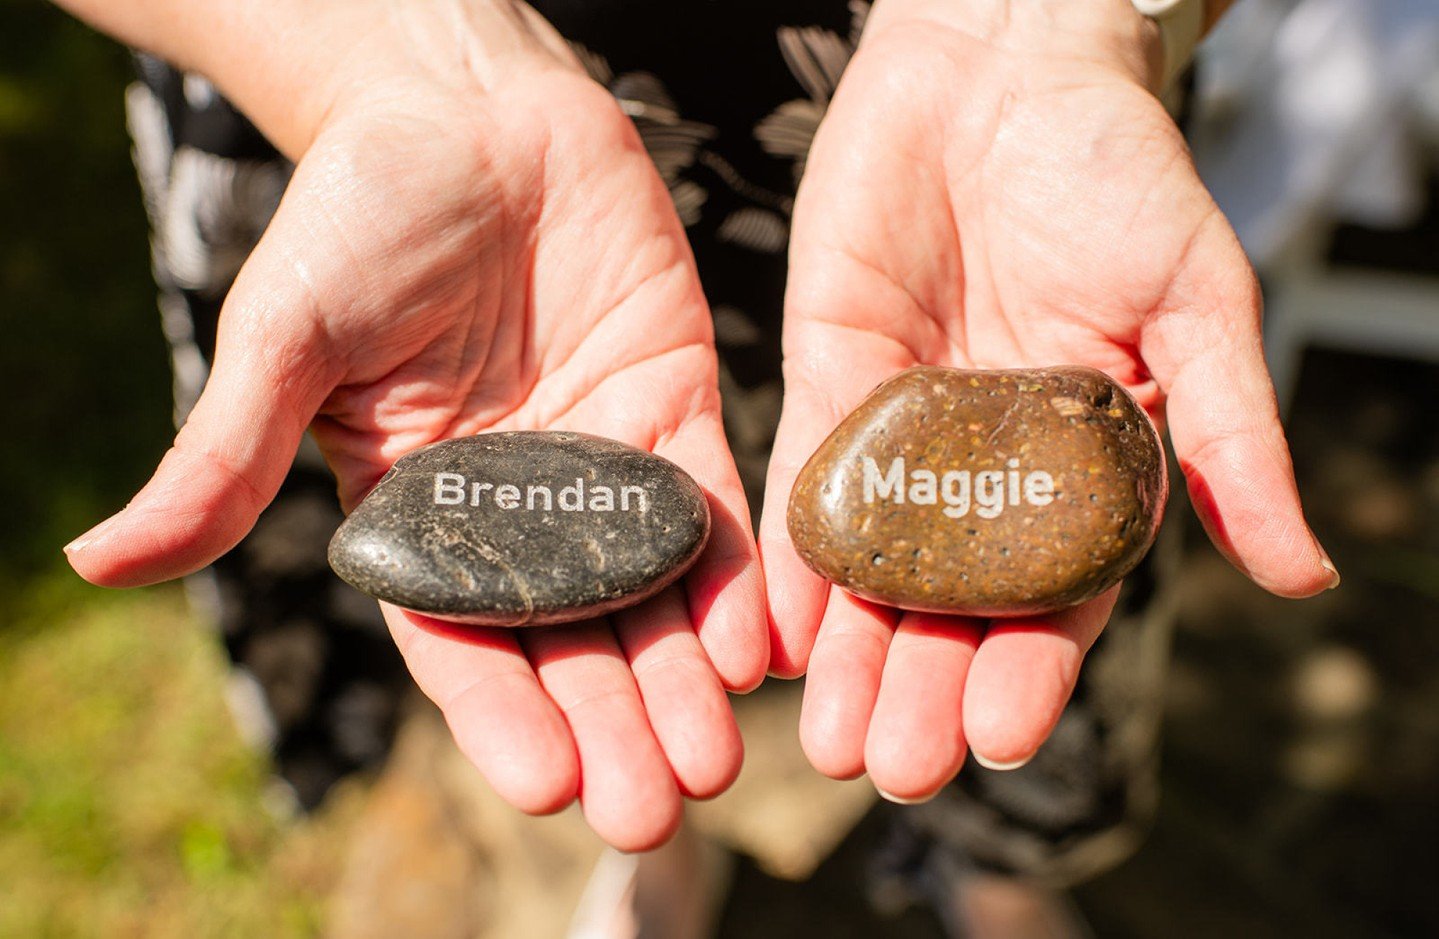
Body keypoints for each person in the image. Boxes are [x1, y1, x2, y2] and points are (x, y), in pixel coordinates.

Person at [55, 0, 1337, 911]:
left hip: (970, 152)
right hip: (403, 125)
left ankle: (996, 874)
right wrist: (390, 47)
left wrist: (1049, 21)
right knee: (652, 673)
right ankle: (667, 848)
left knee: (994, 666)